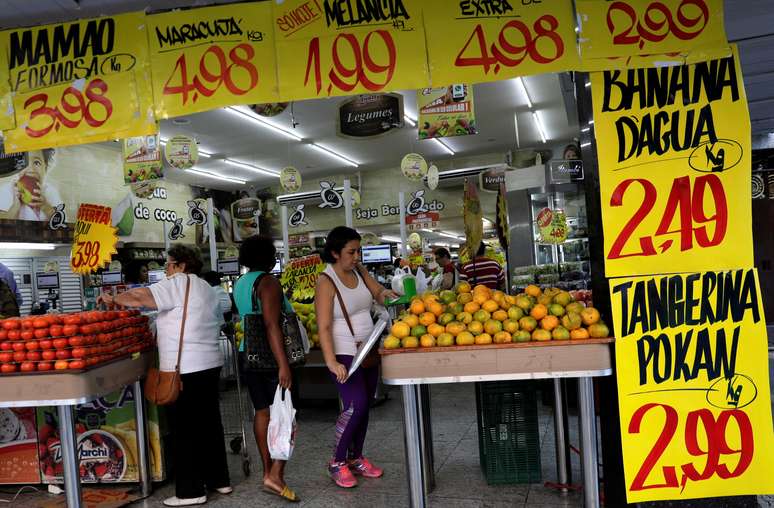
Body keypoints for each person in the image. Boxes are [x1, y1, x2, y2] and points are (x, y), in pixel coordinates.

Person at [98, 245, 231, 507]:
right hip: (209, 363)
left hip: (185, 369)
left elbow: (141, 297)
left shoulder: (178, 283)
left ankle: (191, 491)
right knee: (209, 424)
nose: (167, 270)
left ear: (181, 266)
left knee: (185, 429)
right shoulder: (205, 287)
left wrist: (114, 299)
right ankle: (219, 480)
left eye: (169, 265)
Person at [315, 226, 397, 488]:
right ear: (335, 253)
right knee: (355, 406)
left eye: (358, 250)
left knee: (366, 406)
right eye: (351, 252)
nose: (356, 256)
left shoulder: (359, 271)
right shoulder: (325, 282)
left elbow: (377, 293)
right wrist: (331, 361)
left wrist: (388, 295)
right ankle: (337, 461)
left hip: (368, 349)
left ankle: (356, 457)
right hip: (343, 353)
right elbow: (323, 326)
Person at [232, 236, 299, 502]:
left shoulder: (241, 283)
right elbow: (272, 325)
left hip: (247, 354)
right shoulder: (269, 282)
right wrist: (284, 365)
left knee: (262, 412)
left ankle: (268, 472)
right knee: (288, 414)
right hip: (271, 359)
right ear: (267, 256)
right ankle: (275, 473)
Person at [0, 149, 62, 221]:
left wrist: (46, 207)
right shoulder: (8, 190)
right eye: (23, 163)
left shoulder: (50, 192)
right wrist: (15, 207)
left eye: (36, 163)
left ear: (45, 168)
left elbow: (61, 222)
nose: (30, 169)